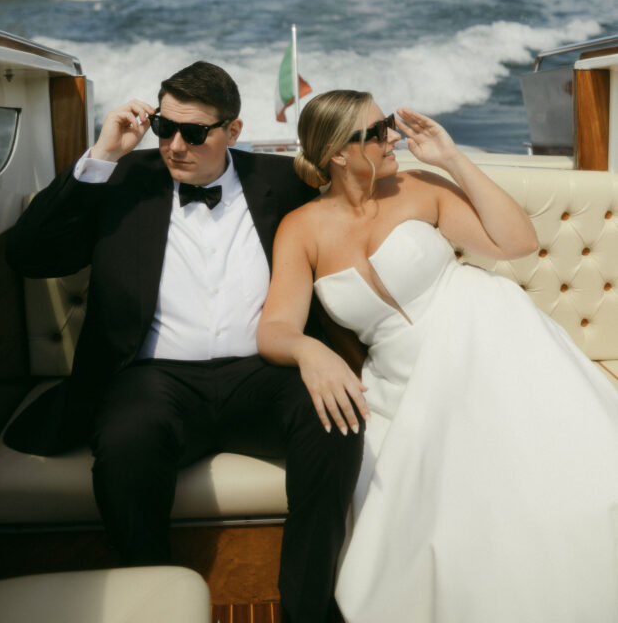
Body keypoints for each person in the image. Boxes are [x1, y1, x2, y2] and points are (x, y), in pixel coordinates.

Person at [4, 63, 364, 623]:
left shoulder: (284, 182)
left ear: (233, 131)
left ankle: (308, 609)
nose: (175, 145)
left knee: (336, 422)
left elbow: (363, 210)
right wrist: (103, 152)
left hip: (262, 370)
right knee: (126, 444)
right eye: (163, 128)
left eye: (194, 133)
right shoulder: (121, 178)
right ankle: (151, 604)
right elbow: (29, 257)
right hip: (155, 379)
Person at [257, 89, 618, 623]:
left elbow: (516, 242)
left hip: (484, 333)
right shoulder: (301, 229)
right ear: (337, 153)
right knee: (414, 510)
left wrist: (451, 158)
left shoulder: (417, 187)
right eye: (376, 131)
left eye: (388, 126)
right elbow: (275, 328)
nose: (392, 137)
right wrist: (310, 350)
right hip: (395, 379)